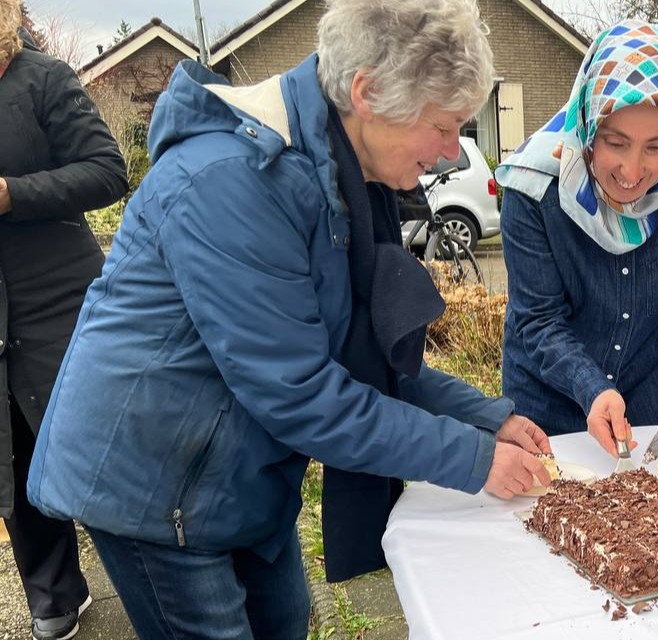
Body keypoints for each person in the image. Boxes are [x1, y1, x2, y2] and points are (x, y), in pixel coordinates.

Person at [27, 0, 551, 637]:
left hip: (239, 467)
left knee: (286, 624)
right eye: (442, 127)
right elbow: (301, 392)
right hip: (157, 485)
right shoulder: (234, 179)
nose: (449, 153)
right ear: (367, 93)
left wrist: (486, 418)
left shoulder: (342, 178)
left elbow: (362, 355)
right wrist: (473, 458)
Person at [497, 20, 658, 456]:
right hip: (547, 403)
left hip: (649, 396)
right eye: (616, 143)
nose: (633, 171)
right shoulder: (532, 189)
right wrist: (591, 387)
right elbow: (538, 320)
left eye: (655, 147)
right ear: (589, 126)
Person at [0, 1, 129, 637]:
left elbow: (108, 172)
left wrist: (12, 193)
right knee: (14, 453)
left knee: (97, 448)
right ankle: (53, 594)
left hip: (61, 303)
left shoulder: (43, 78)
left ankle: (150, 574)